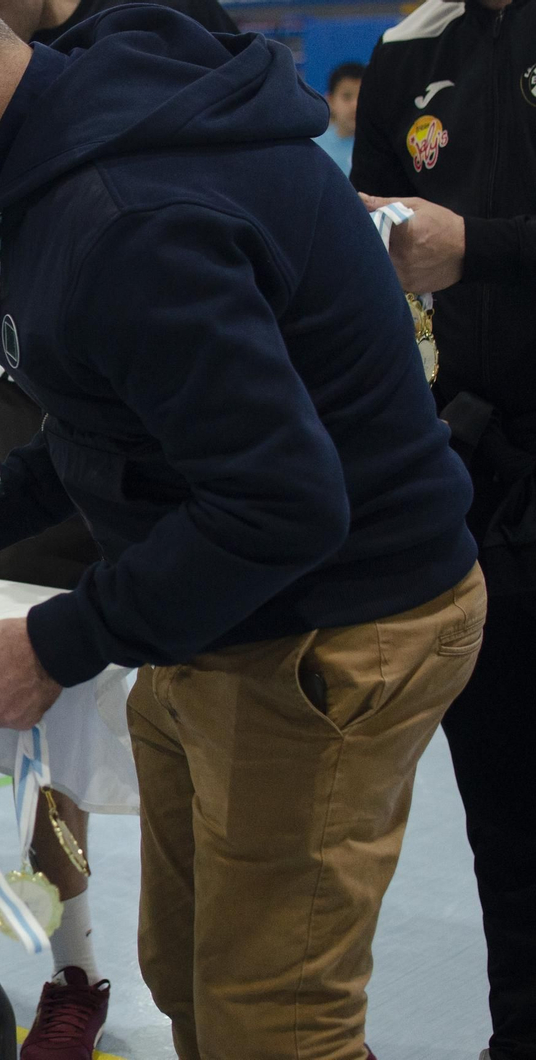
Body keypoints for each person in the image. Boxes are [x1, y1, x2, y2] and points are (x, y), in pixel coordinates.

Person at [0, 2, 486, 1058]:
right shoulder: (50, 159)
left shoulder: (124, 211)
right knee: (192, 971)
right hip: (221, 612)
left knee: (275, 1019)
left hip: (330, 622)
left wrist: (55, 641)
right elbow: (123, 422)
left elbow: (285, 503)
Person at [0, 0, 238, 1049]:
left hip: (176, 457)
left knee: (210, 722)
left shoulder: (153, 49)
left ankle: (224, 960)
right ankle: (77, 966)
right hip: (40, 466)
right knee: (52, 741)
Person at [352, 3, 536, 1056]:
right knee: (508, 825)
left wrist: (485, 248)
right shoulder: (412, 47)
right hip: (482, 486)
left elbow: (468, 248)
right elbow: (366, 233)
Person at [314, 62, 363, 176]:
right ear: (330, 101)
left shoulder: (381, 148)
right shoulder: (315, 148)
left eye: (362, 96)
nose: (355, 105)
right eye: (347, 96)